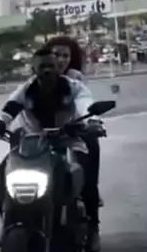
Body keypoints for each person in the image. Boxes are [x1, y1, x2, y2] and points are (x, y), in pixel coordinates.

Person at [0, 47, 102, 252]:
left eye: (51, 65)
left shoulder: (73, 87)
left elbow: (85, 104)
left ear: (58, 67)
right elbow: (10, 109)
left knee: (83, 175)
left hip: (67, 141)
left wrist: (92, 121)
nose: (47, 70)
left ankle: (92, 227)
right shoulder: (26, 90)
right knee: (0, 174)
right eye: (42, 66)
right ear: (34, 69)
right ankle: (9, 221)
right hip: (34, 143)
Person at [44, 35, 103, 209]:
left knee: (90, 146)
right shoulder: (36, 78)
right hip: (42, 132)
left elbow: (83, 100)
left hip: (73, 129)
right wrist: (0, 123)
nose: (61, 60)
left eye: (65, 56)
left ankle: (91, 202)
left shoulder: (75, 79)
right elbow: (17, 103)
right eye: (56, 54)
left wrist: (92, 120)